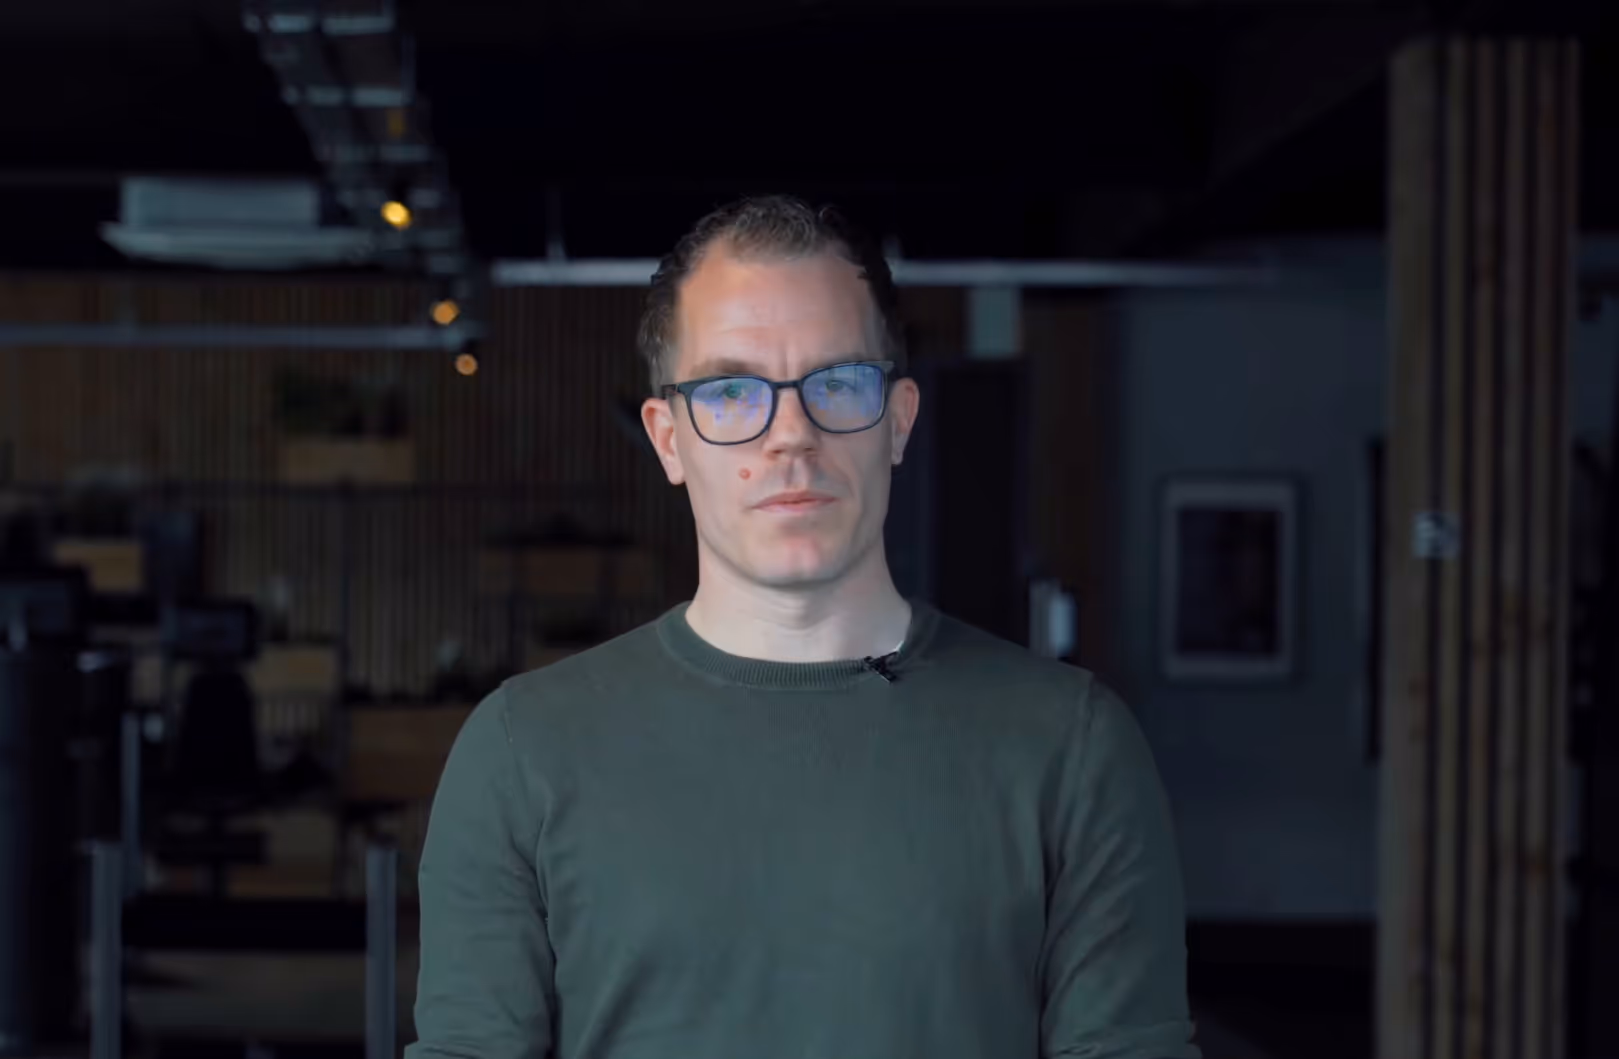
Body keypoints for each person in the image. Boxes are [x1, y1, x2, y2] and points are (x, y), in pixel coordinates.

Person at [408, 195, 1200, 1059]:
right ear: (668, 439)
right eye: (731, 390)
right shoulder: (522, 751)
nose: (791, 433)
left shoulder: (1071, 746)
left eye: (836, 383)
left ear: (897, 420)